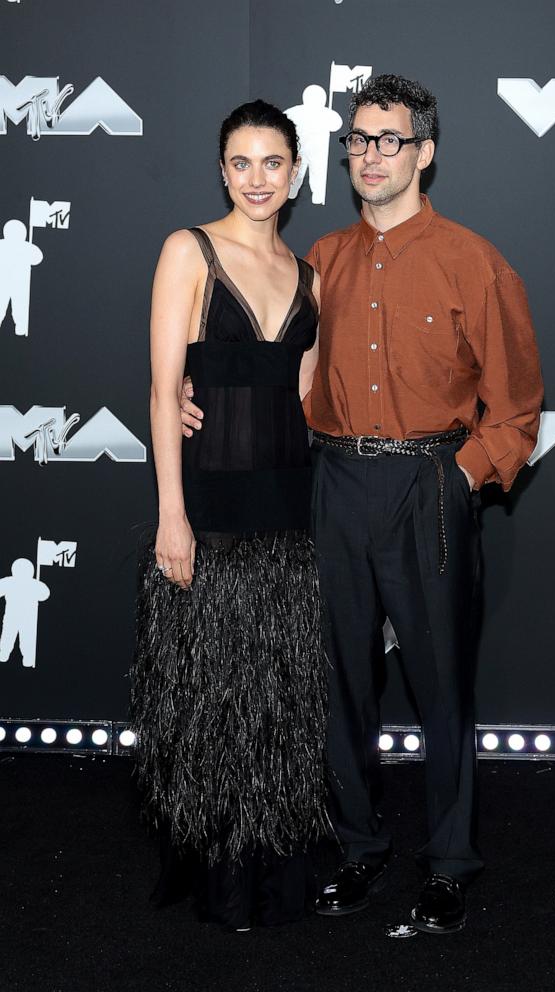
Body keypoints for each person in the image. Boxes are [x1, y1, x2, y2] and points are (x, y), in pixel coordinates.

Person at [180, 74, 544, 935]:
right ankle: (357, 847)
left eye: (389, 139)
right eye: (358, 139)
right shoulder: (321, 266)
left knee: (441, 682)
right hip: (330, 484)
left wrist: (459, 475)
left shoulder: (474, 261)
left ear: (425, 151)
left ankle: (450, 862)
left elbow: (519, 407)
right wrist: (199, 394)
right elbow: (276, 370)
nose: (370, 154)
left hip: (429, 484)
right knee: (338, 679)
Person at [130, 100, 329, 932]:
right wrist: (170, 515)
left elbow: (309, 397)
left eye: (272, 162)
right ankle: (220, 884)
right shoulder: (189, 250)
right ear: (221, 170)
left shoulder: (309, 272)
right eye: (240, 163)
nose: (256, 178)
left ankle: (273, 880)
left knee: (277, 706)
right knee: (212, 704)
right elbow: (159, 388)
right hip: (208, 507)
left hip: (288, 510)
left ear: (295, 172)